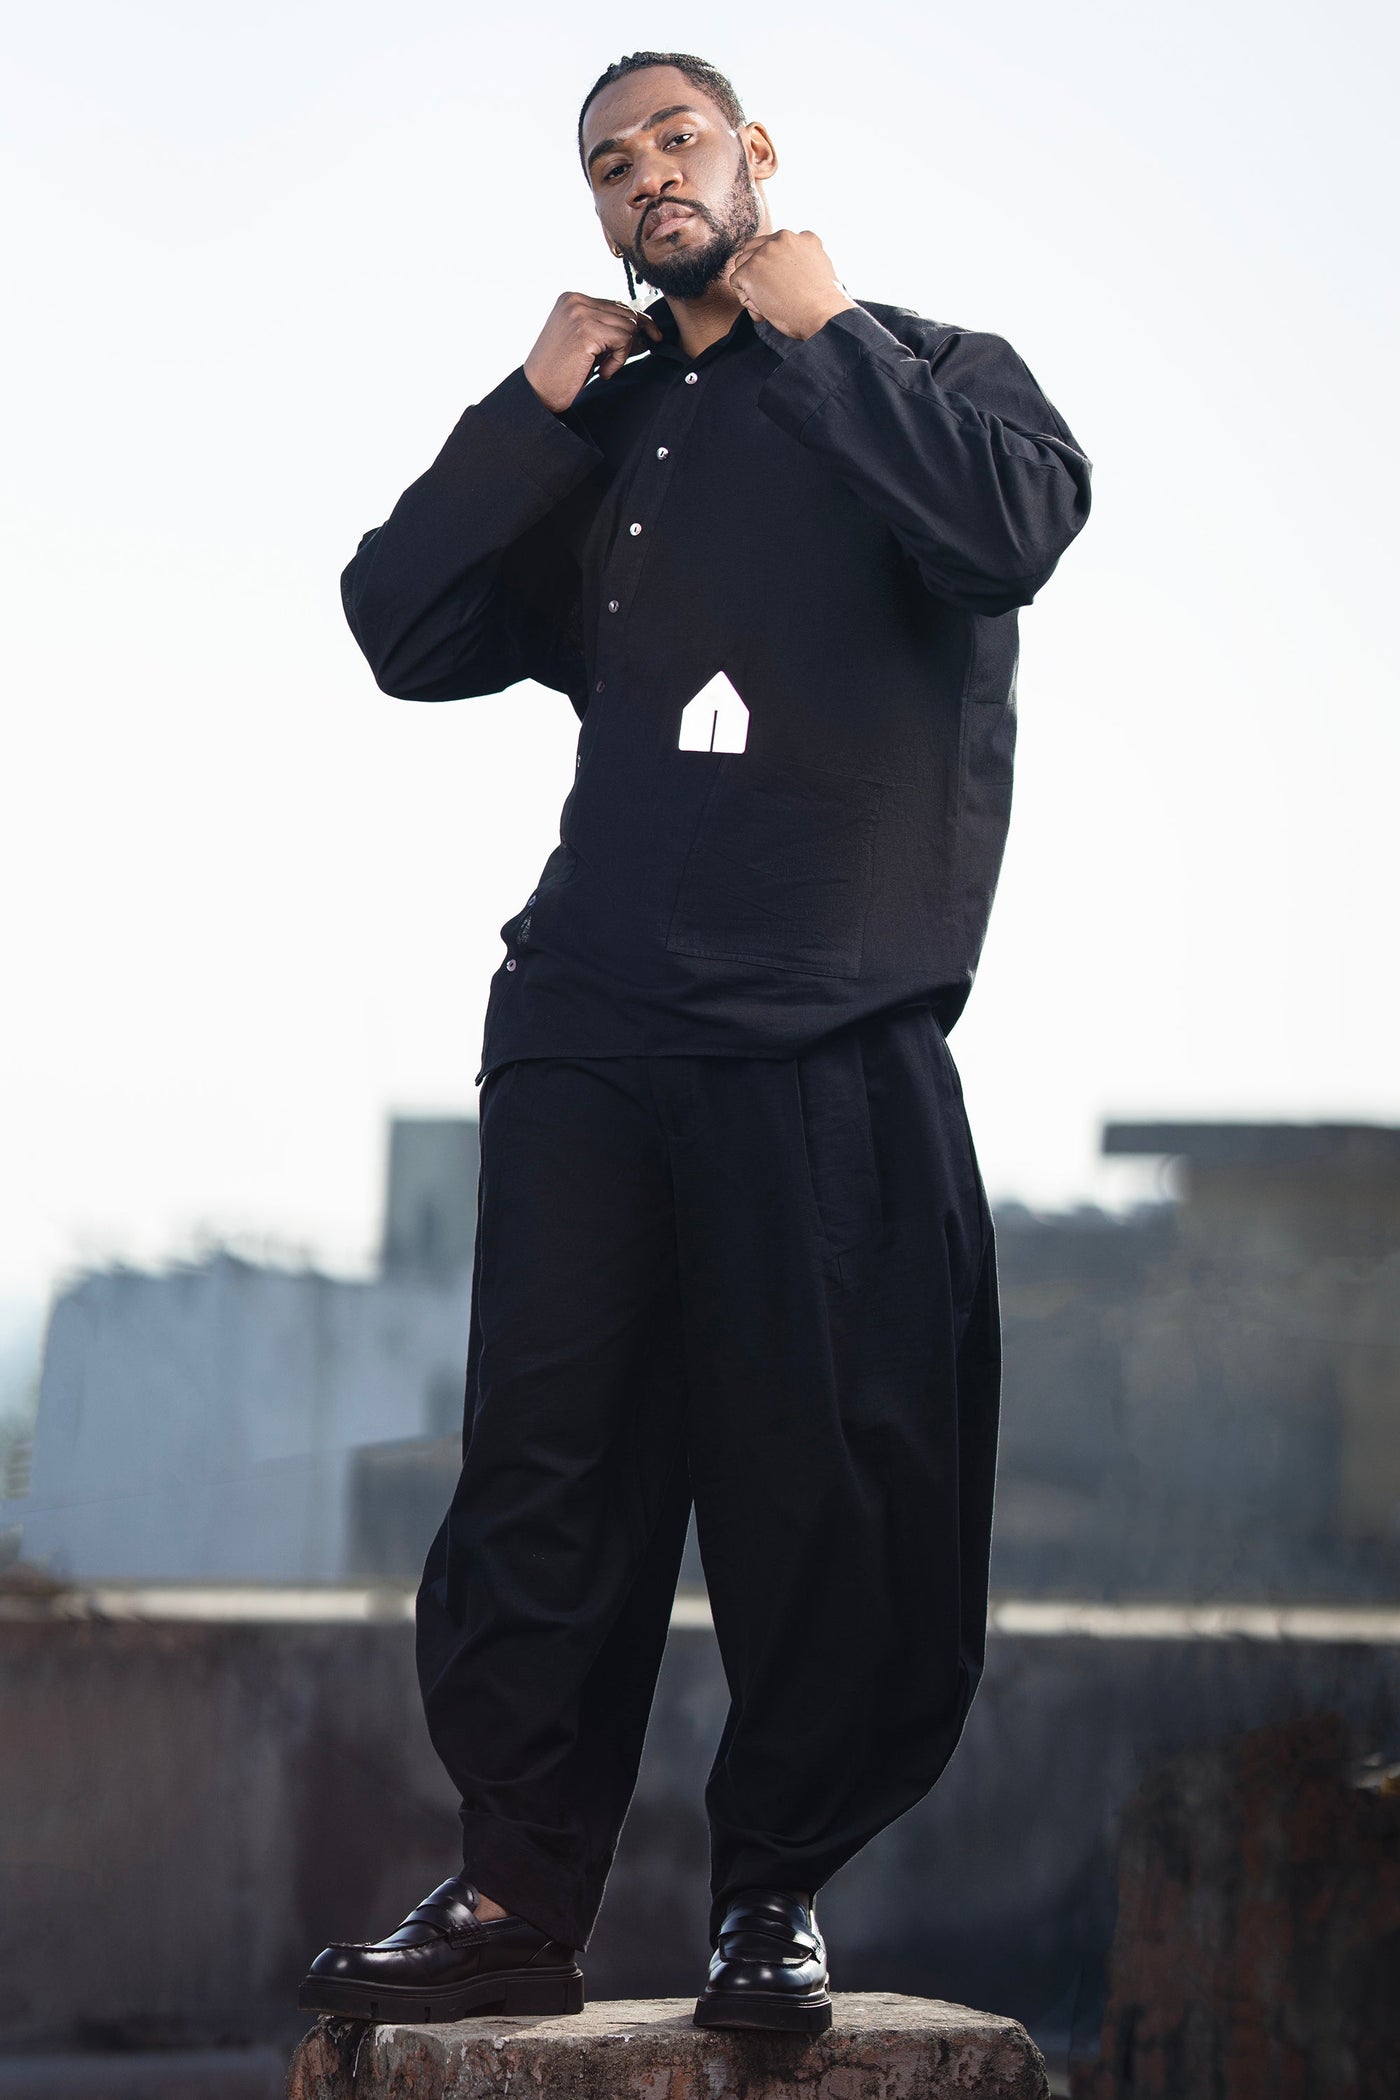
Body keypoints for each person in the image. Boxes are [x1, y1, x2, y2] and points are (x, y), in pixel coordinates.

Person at [299, 49, 1091, 2035]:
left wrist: (828, 336)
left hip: (827, 1023)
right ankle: (513, 1895)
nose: (644, 174)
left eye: (676, 138)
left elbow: (1007, 532)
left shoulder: (933, 373)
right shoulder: (611, 428)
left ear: (756, 156)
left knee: (830, 1480)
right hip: (587, 1021)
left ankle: (774, 1900)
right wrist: (529, 406)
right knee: (542, 1473)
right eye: (608, 161)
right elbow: (404, 623)